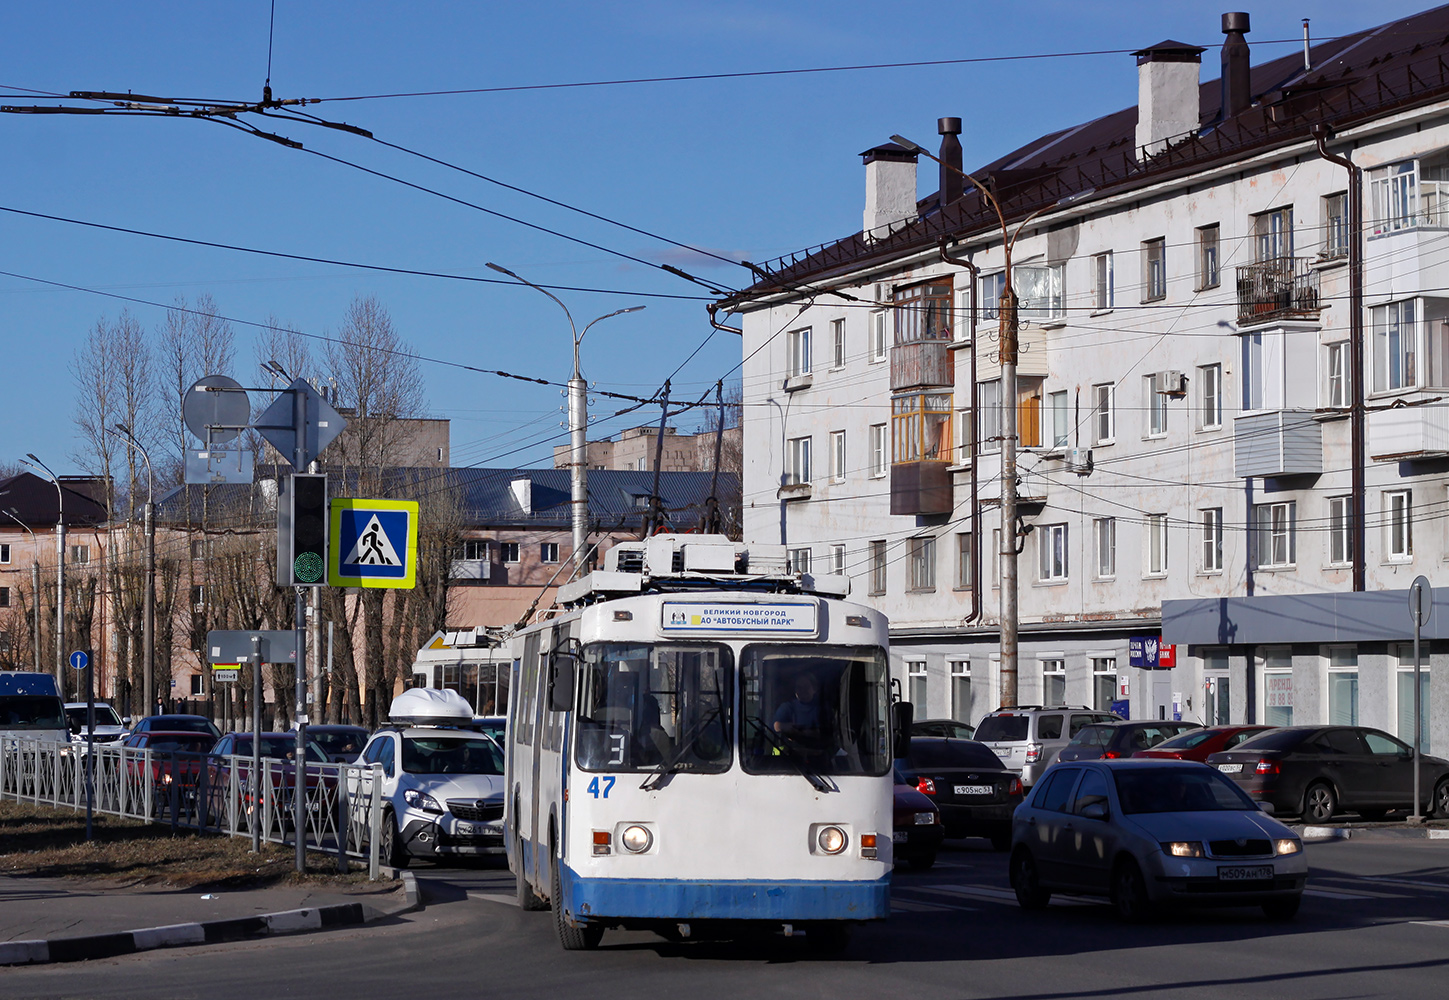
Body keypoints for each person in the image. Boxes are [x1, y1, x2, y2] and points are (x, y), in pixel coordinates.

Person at [773, 672, 821, 736]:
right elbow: (774, 727)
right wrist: (783, 727)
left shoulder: (822, 708)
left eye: (806, 687)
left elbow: (824, 732)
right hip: (790, 746)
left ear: (814, 689)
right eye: (799, 688)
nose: (802, 690)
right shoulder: (787, 708)